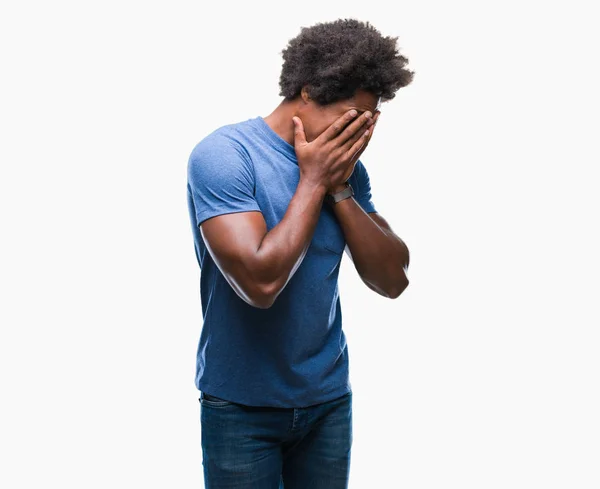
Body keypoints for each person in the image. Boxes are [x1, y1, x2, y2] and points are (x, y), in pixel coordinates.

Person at [186, 18, 414, 489]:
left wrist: (340, 188)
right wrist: (312, 181)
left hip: (327, 402)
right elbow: (260, 283)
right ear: (308, 91)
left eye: (371, 119)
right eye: (353, 115)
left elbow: (393, 279)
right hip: (241, 409)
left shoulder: (347, 172)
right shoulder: (226, 156)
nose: (363, 131)